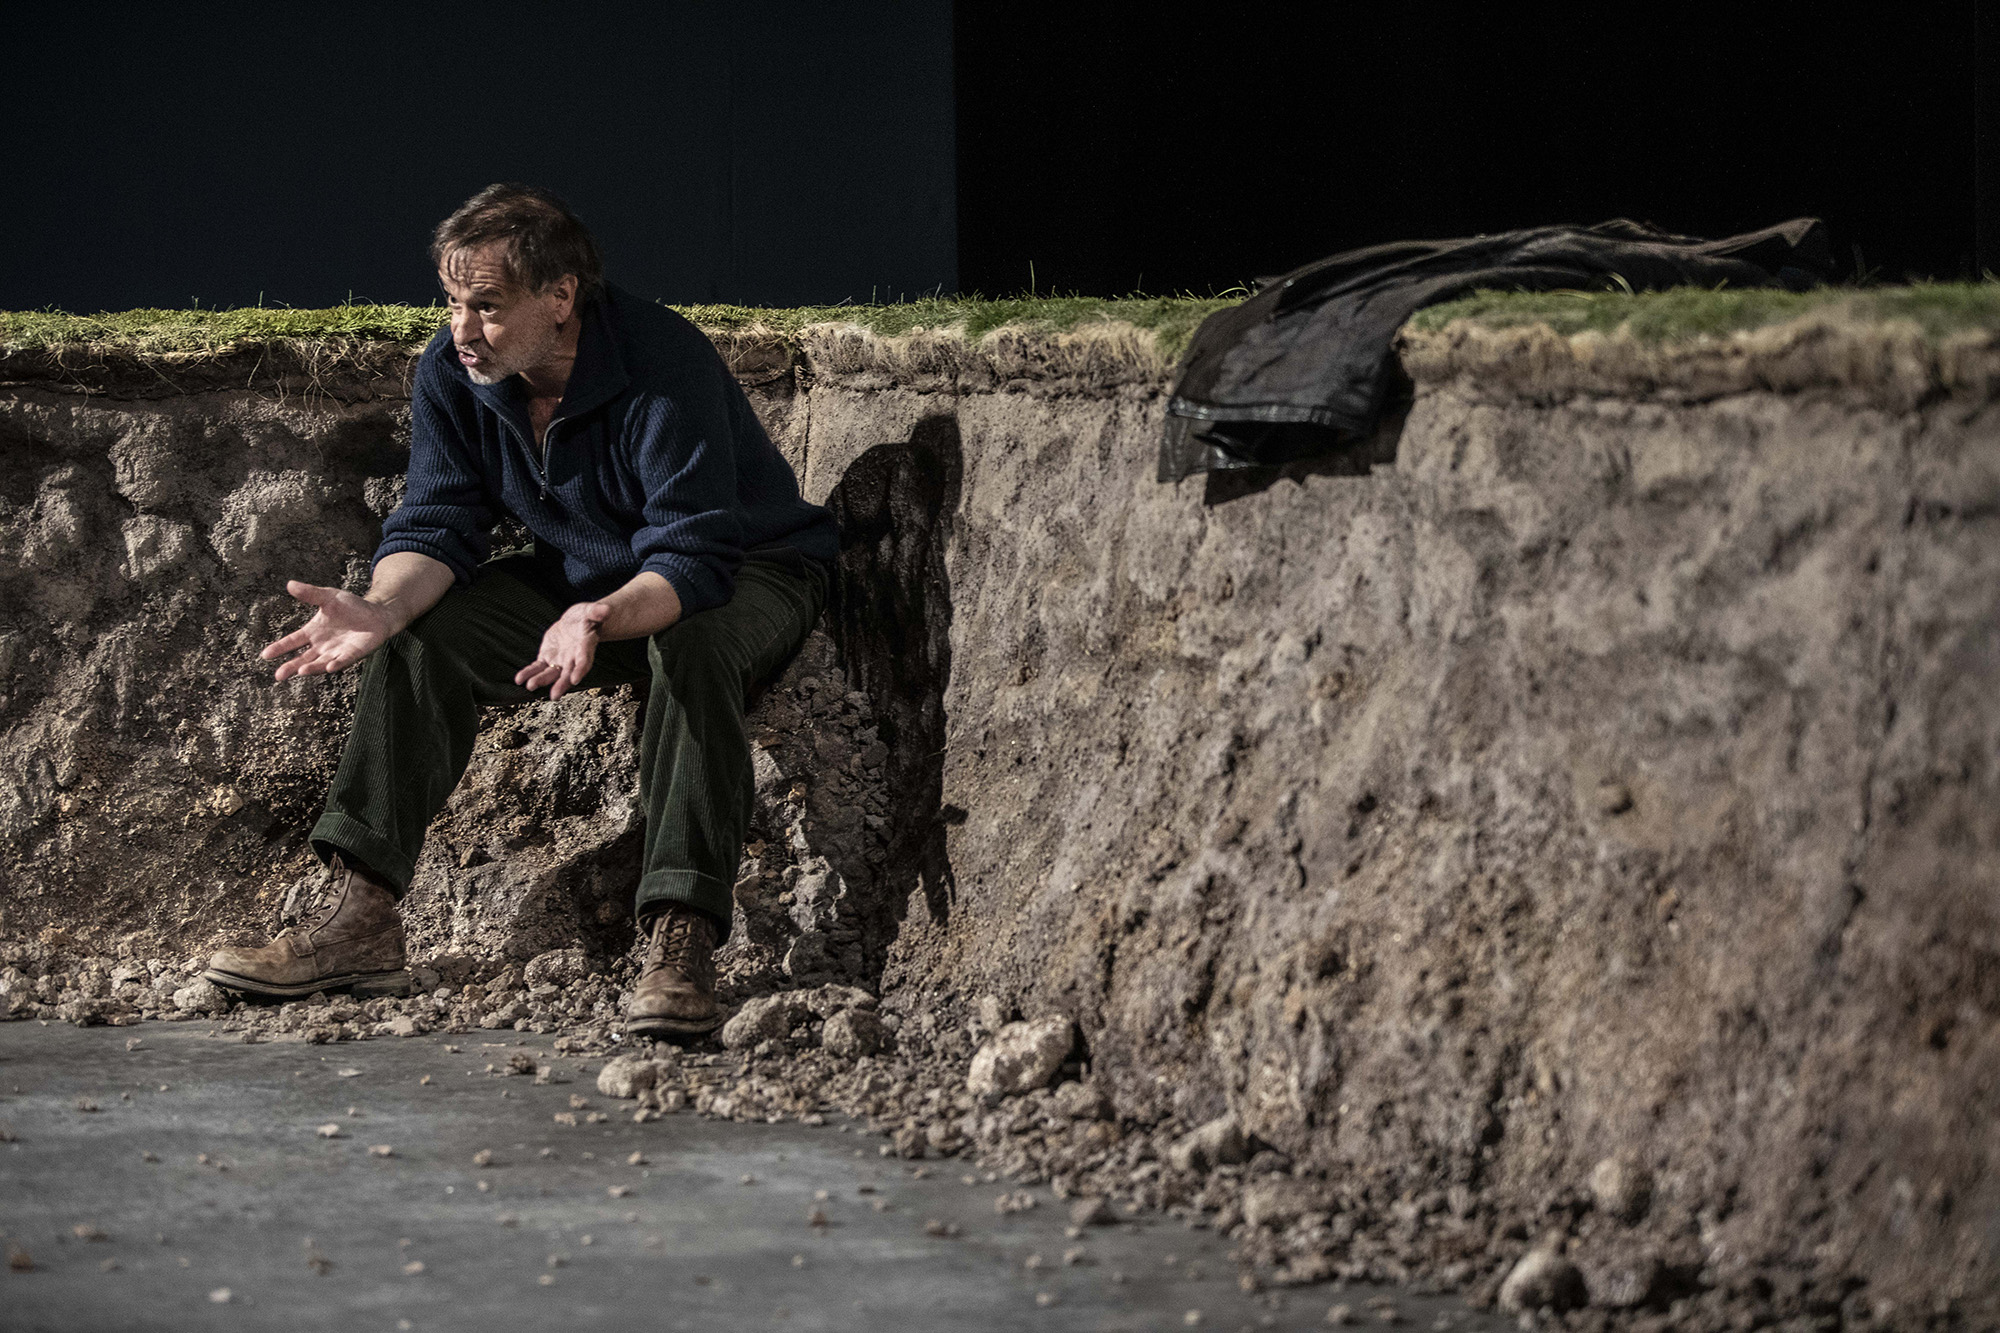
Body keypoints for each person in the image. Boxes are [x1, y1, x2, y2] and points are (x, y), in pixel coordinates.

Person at [202, 183, 837, 1040]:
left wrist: (597, 615)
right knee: (423, 635)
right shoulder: (454, 372)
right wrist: (384, 608)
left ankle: (680, 936)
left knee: (690, 648)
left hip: (745, 570)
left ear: (561, 296)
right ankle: (361, 920)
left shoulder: (662, 362)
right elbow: (438, 521)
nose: (461, 329)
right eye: (452, 302)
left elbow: (693, 558)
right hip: (590, 580)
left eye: (488, 306)